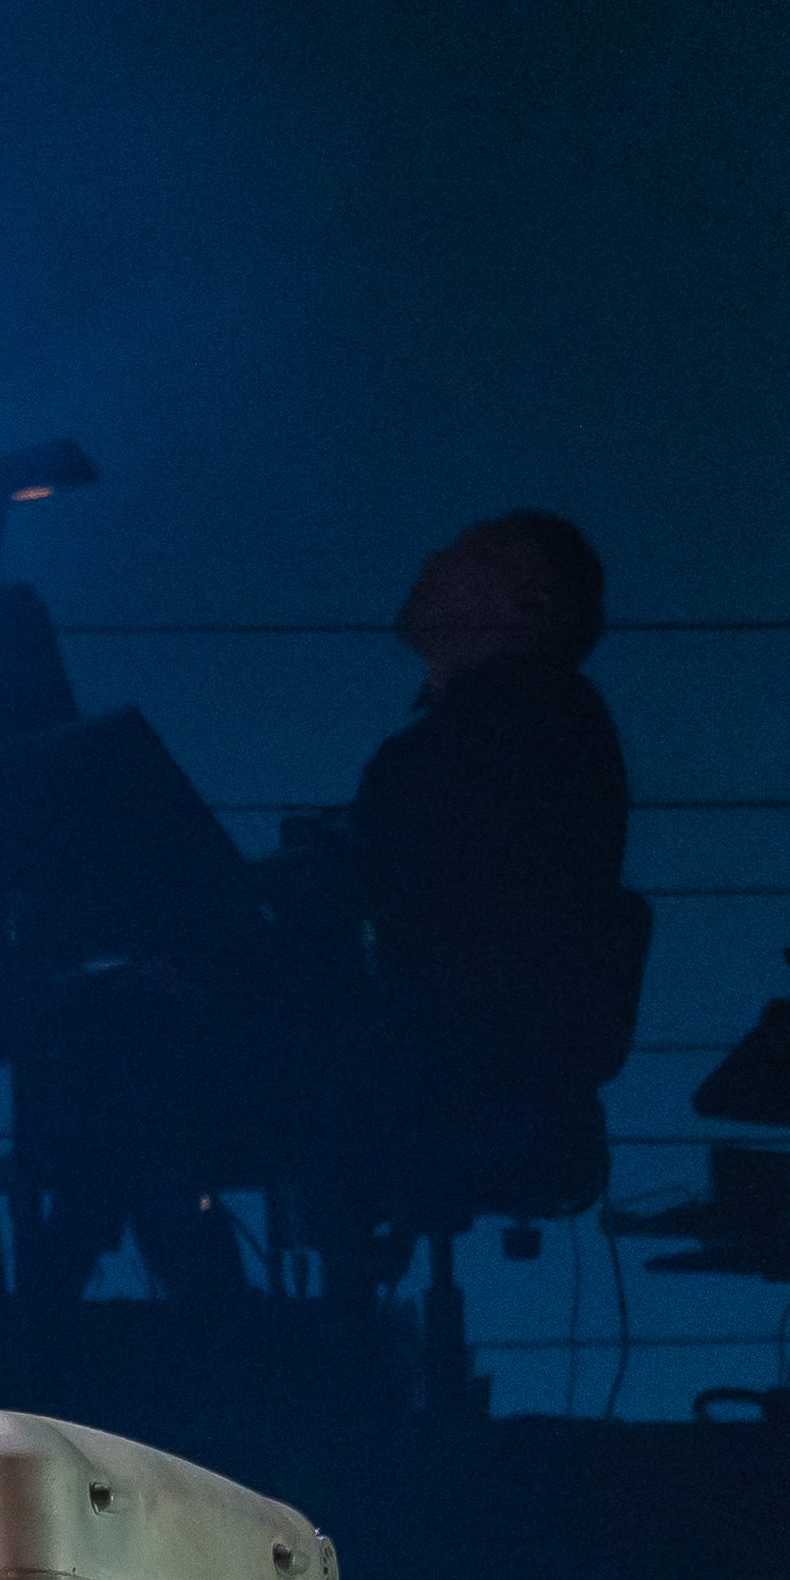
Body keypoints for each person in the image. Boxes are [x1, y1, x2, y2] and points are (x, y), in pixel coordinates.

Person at [330, 509, 653, 1238]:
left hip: (447, 1076)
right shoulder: (552, 724)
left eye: (469, 554)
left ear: (526, 602)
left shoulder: (501, 734)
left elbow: (409, 910)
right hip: (472, 1071)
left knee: (112, 1061)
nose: (435, 557)